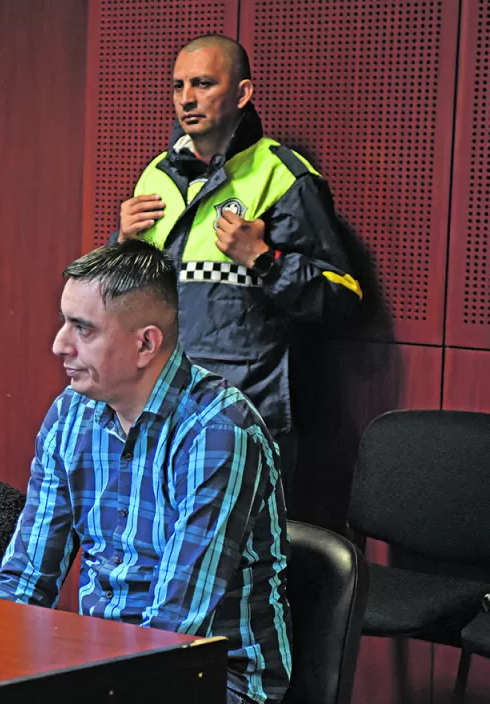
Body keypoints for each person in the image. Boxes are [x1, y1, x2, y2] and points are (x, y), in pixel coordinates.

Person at [0, 239, 291, 704]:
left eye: (83, 329)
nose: (59, 344)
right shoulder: (70, 416)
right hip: (101, 667)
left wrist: (63, 693)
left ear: (146, 344)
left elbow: (173, 626)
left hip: (216, 686)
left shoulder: (218, 431)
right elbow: (25, 578)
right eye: (65, 323)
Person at [115, 34, 362, 479]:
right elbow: (128, 300)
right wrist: (122, 245)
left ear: (243, 94)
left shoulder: (282, 175)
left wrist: (266, 260)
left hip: (245, 418)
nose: (187, 99)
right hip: (160, 410)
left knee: (246, 549)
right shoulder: (156, 174)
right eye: (178, 86)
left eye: (203, 84)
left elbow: (342, 295)